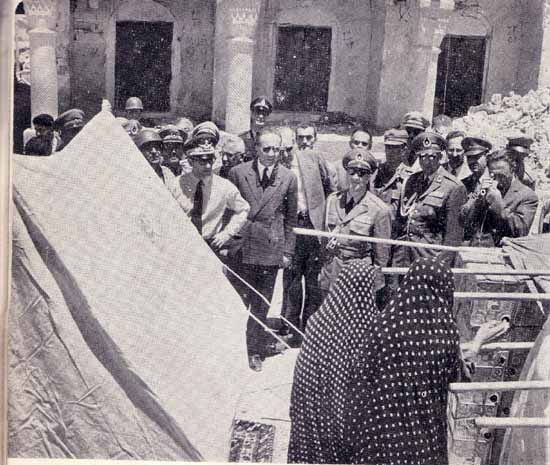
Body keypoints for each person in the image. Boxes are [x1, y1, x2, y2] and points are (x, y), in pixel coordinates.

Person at [288, 261, 383, 464]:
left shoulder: (317, 321)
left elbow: (301, 376)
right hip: (349, 427)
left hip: (312, 421)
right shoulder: (374, 329)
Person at [228, 128, 298, 372]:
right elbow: (229, 210)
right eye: (266, 148)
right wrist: (228, 243)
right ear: (256, 149)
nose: (271, 154)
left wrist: (287, 252)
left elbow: (290, 219)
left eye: (276, 149)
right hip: (242, 246)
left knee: (261, 303)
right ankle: (233, 348)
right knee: (238, 300)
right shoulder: (238, 173)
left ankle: (254, 350)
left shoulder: (288, 178)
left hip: (269, 248)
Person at [280, 125, 335, 344]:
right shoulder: (282, 163)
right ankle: (290, 327)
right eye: (299, 138)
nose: (304, 142)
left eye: (308, 138)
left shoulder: (315, 159)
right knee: (291, 279)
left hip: (313, 226)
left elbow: (330, 190)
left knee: (314, 279)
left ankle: (311, 329)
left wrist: (326, 222)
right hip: (292, 227)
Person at [319, 149, 391, 304]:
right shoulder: (333, 200)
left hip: (358, 277)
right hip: (331, 274)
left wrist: (372, 286)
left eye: (362, 173)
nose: (355, 178)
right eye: (351, 172)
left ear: (369, 177)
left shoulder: (379, 209)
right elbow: (324, 240)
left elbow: (381, 258)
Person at [393, 132, 467, 268]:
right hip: (403, 257)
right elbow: (400, 222)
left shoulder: (453, 187)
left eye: (432, 156)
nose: (427, 161)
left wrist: (440, 267)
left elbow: (453, 238)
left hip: (429, 259)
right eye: (422, 157)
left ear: (440, 157)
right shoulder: (411, 181)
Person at [170, 143, 250, 257]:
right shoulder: (175, 185)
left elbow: (243, 209)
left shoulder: (224, 186)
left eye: (210, 161)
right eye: (202, 162)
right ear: (191, 162)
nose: (208, 166)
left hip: (211, 247)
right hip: (181, 246)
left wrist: (226, 234)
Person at [460, 149, 538, 247]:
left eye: (501, 176)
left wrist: (498, 204)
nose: (497, 180)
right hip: (475, 248)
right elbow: (464, 221)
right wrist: (477, 199)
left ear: (512, 169)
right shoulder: (487, 188)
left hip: (501, 251)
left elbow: (521, 231)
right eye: (493, 175)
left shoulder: (527, 195)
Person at [373, 128, 409, 220]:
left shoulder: (409, 177)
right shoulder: (375, 172)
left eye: (395, 148)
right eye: (388, 147)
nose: (390, 152)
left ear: (404, 150)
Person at [332, 127, 373, 191]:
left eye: (364, 144)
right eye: (356, 143)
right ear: (350, 144)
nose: (360, 146)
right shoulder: (337, 168)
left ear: (370, 146)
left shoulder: (374, 170)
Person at [240, 96, 273, 162]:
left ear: (268, 117)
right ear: (252, 114)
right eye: (257, 112)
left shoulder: (272, 139)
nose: (261, 116)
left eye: (264, 113)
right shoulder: (242, 139)